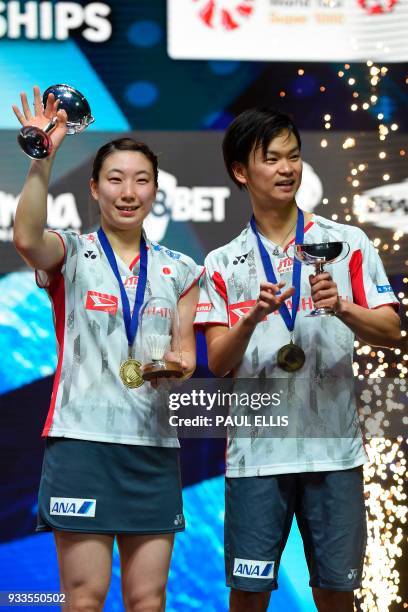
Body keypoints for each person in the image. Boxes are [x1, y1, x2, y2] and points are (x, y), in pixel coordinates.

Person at [194, 107, 401, 612]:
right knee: (248, 595)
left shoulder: (346, 243)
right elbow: (219, 363)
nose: (287, 168)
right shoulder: (222, 262)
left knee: (336, 592)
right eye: (272, 159)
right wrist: (252, 316)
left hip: (335, 452)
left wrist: (344, 306)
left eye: (294, 156)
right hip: (256, 458)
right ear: (242, 171)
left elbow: (394, 332)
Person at [12, 86, 203, 612]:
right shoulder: (72, 252)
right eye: (115, 179)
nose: (128, 191)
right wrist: (42, 163)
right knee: (84, 596)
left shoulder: (182, 271)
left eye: (141, 180)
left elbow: (185, 356)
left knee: (148, 598)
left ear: (155, 191)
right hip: (81, 444)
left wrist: (175, 367)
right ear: (94, 189)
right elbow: (27, 239)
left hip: (152, 448)